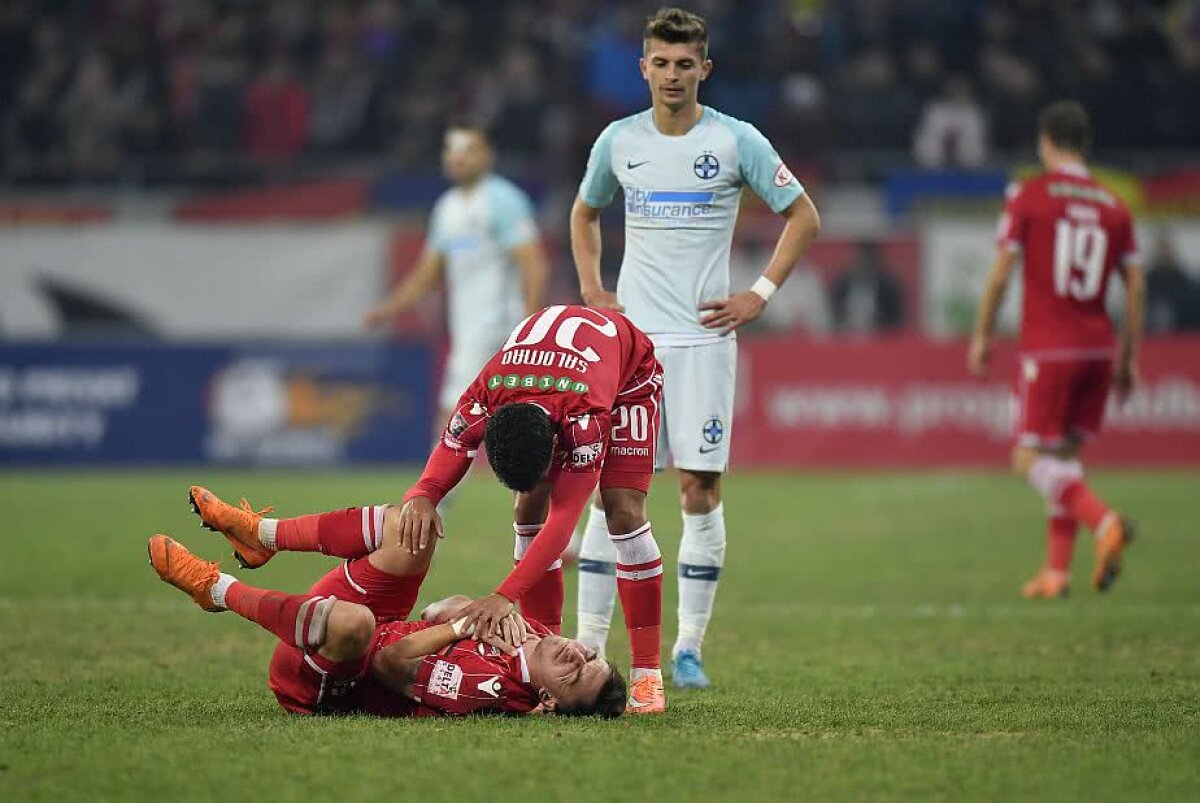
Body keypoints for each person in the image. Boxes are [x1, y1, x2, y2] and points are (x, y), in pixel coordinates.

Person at [568, 7, 821, 689]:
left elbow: (804, 215)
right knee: (612, 493)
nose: (673, 74)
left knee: (698, 489)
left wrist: (759, 294)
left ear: (704, 68)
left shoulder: (736, 142)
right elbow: (585, 211)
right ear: (643, 67)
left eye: (686, 64)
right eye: (662, 62)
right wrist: (594, 287)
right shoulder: (619, 141)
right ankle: (588, 643)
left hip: (706, 341)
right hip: (633, 346)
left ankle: (689, 648)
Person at [364, 304, 665, 713]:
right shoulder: (484, 392)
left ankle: (647, 678)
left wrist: (505, 595)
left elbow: (563, 523)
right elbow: (450, 451)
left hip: (628, 372)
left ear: (557, 445)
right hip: (543, 376)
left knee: (623, 511)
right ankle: (545, 644)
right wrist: (421, 496)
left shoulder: (586, 419)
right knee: (527, 509)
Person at [162, 487, 624, 718]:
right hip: (383, 620)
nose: (577, 654)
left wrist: (466, 626)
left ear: (546, 698)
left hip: (327, 674)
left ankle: (215, 589)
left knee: (353, 624)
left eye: (576, 675)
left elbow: (385, 664)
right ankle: (262, 536)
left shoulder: (488, 689)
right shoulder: (532, 640)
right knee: (412, 526)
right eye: (591, 656)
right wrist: (464, 613)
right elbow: (435, 610)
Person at [968, 100, 1144, 599]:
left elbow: (1002, 272)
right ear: (1085, 145)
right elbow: (1135, 285)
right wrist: (1130, 357)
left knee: (1026, 459)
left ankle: (1104, 521)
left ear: (1046, 142)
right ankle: (1057, 571)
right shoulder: (1114, 204)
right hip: (1099, 348)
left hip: (1050, 348)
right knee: (1065, 456)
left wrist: (982, 334)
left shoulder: (1031, 195)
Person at [364, 124, 549, 443]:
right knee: (513, 412)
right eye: (453, 150)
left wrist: (530, 323)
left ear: (487, 156)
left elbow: (533, 262)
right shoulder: (447, 208)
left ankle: (437, 491)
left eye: (468, 150)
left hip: (503, 324)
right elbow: (428, 273)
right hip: (469, 326)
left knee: (459, 408)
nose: (459, 158)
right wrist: (389, 309)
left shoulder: (502, 199)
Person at [830, 240, 906, 334]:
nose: (863, 261)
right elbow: (832, 314)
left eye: (867, 257)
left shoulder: (888, 287)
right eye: (859, 256)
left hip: (881, 339)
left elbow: (896, 320)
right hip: (846, 338)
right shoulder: (842, 284)